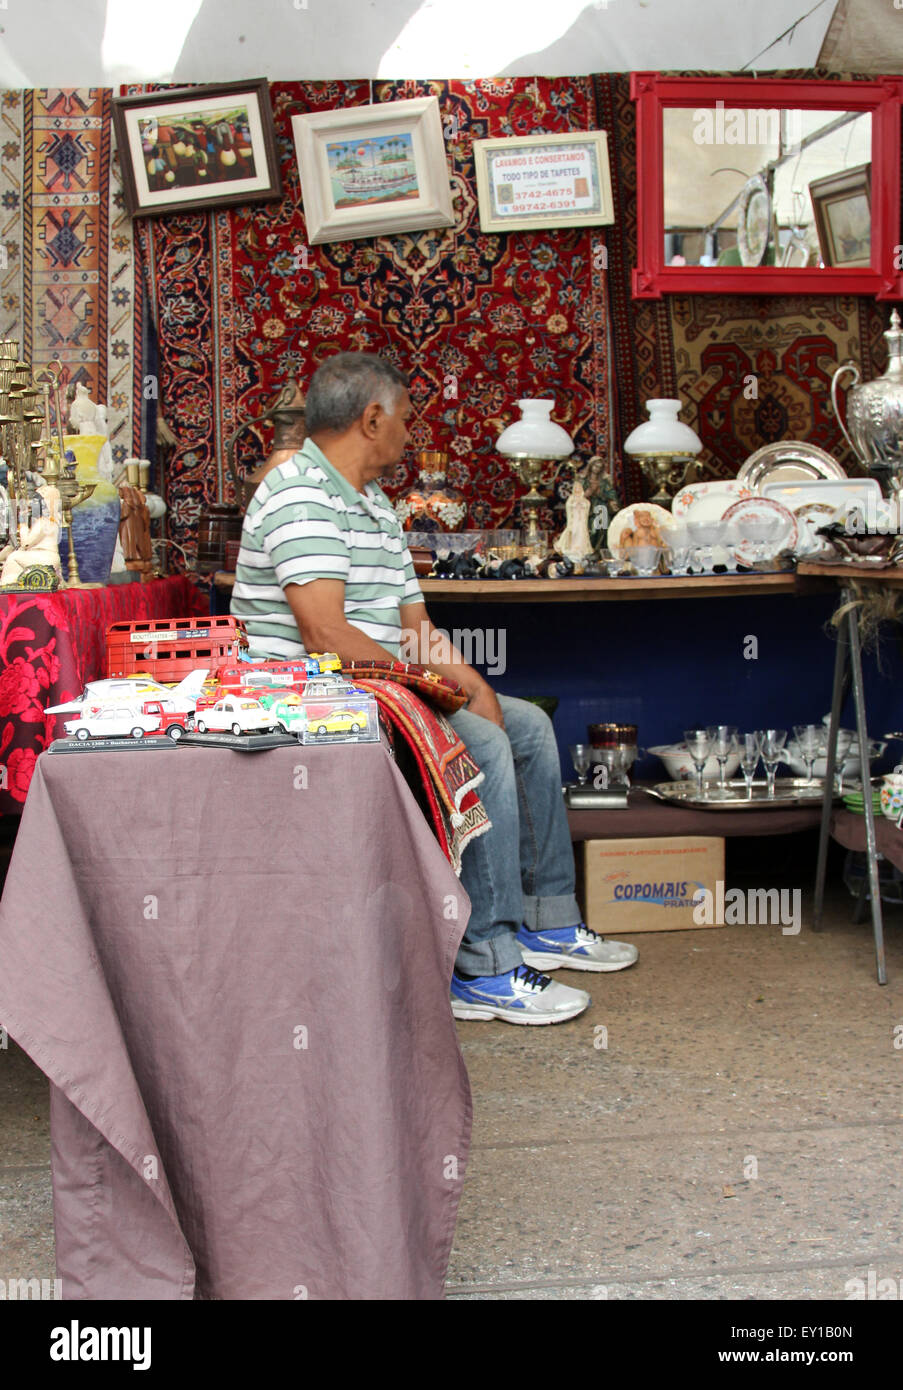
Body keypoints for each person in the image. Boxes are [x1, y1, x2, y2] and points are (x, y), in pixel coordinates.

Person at [231, 353, 638, 1025]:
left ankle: (544, 919)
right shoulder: (300, 493)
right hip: (315, 694)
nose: (410, 435)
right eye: (404, 420)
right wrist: (431, 692)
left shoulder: (372, 504)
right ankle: (483, 961)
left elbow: (415, 631)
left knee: (523, 725)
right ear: (371, 420)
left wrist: (468, 684)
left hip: (381, 682)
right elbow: (326, 635)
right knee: (475, 740)